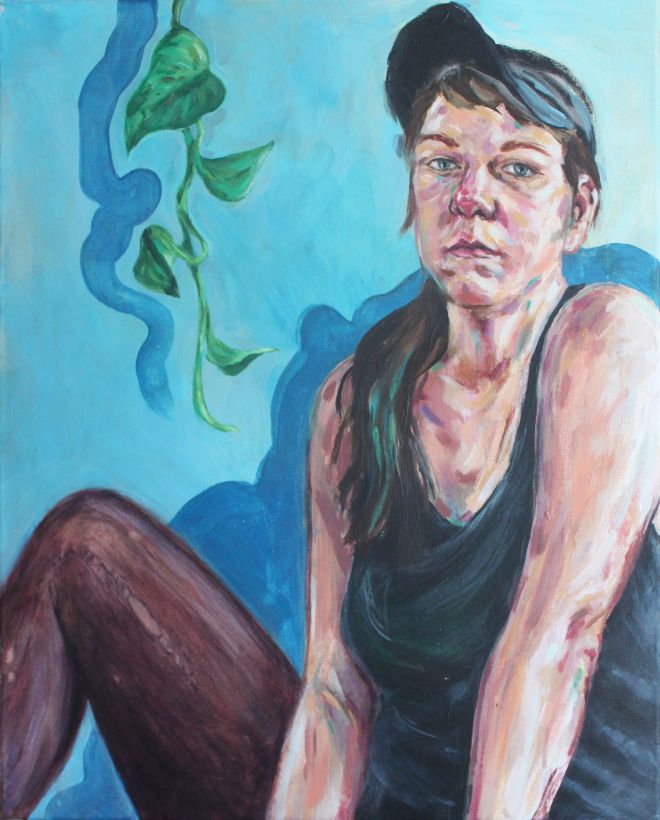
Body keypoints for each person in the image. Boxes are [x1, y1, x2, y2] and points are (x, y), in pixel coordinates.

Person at [1, 3, 657, 819]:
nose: (471, 198)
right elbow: (336, 700)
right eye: (441, 163)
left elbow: (555, 644)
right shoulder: (355, 401)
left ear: (579, 209)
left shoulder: (609, 342)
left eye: (517, 170)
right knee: (85, 546)